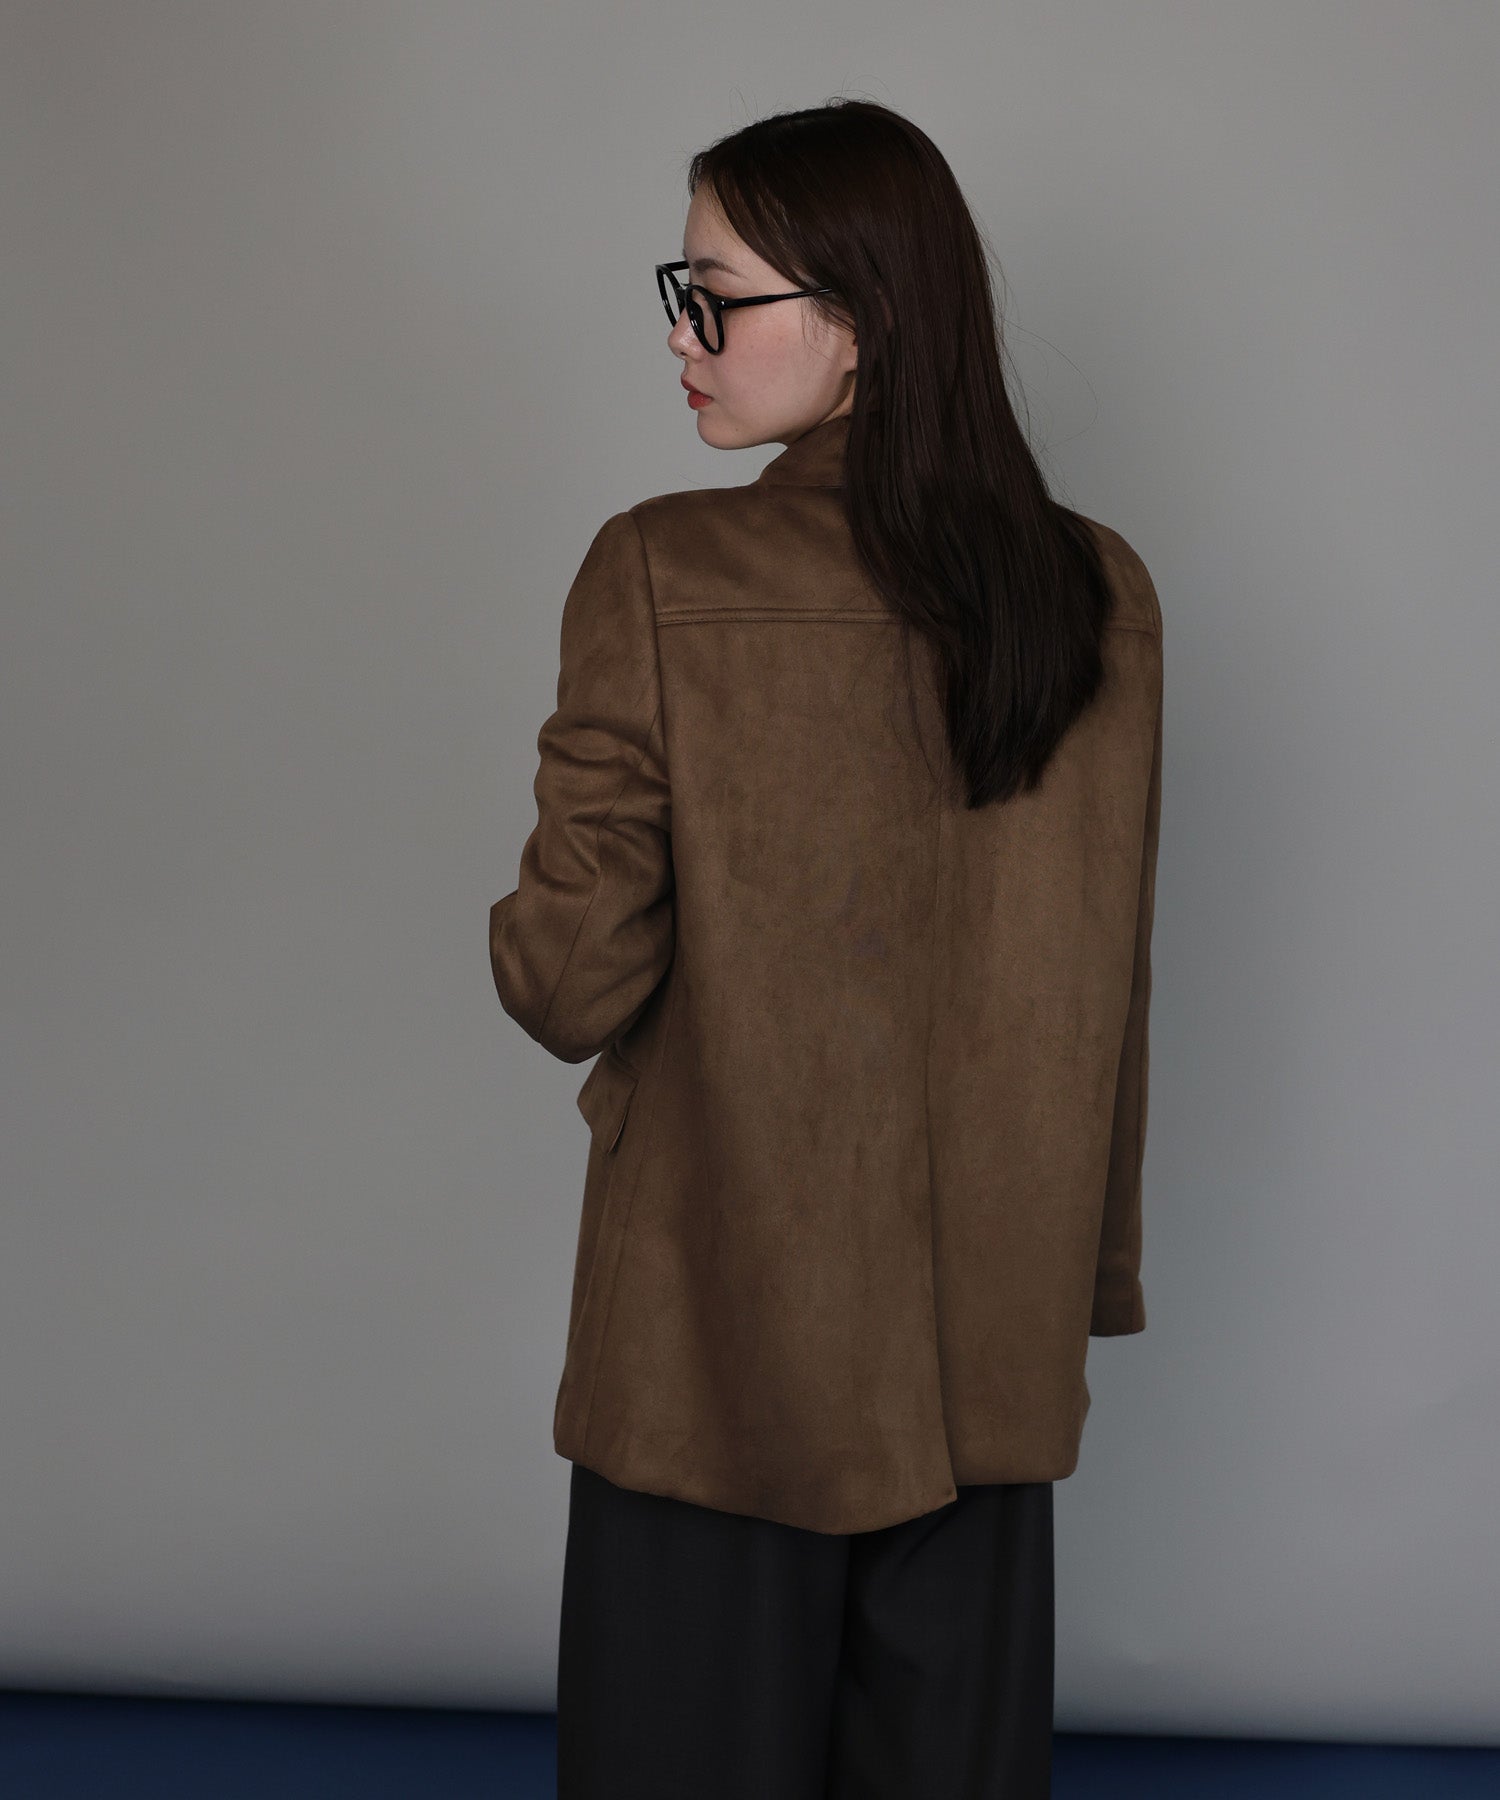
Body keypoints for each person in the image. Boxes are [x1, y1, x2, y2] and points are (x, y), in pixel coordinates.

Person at [489, 97, 1164, 1800]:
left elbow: (565, 983)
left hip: (713, 1354)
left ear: (860, 322)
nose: (682, 335)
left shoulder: (660, 570)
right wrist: (1084, 1280)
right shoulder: (1095, 590)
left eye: (715, 296)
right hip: (986, 1357)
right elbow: (1110, 993)